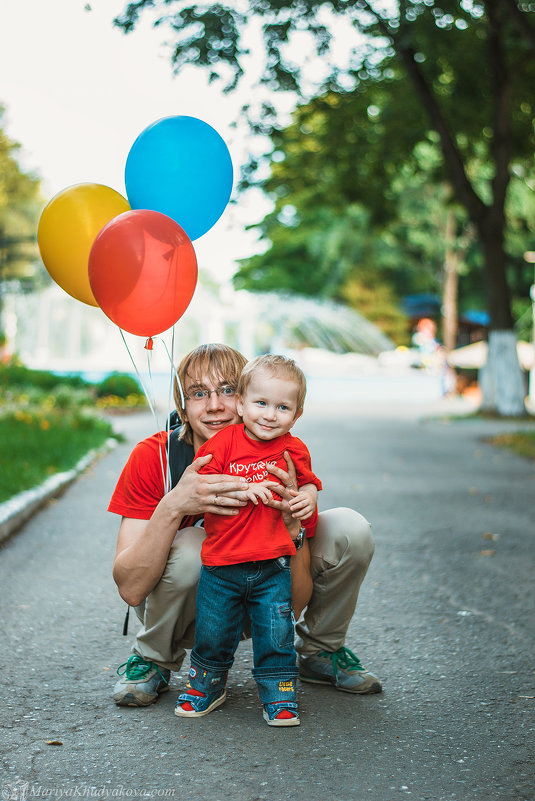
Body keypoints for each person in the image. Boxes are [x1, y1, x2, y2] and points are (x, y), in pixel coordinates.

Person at [109, 343, 381, 710]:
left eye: (227, 389)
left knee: (351, 527)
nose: (215, 406)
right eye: (198, 393)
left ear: (247, 397)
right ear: (182, 403)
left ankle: (321, 650)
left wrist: (291, 529)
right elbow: (130, 588)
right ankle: (153, 658)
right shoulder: (155, 456)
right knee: (192, 542)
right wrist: (174, 506)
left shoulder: (280, 453)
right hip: (181, 603)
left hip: (267, 594)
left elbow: (294, 600)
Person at [174, 354, 322, 727]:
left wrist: (308, 496)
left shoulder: (294, 448)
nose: (270, 415)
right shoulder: (224, 443)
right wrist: (247, 486)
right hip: (222, 562)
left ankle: (279, 692)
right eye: (261, 404)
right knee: (214, 629)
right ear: (241, 404)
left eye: (282, 407)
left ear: (297, 413)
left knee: (276, 630)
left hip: (272, 562)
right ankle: (206, 684)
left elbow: (308, 481)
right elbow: (204, 483)